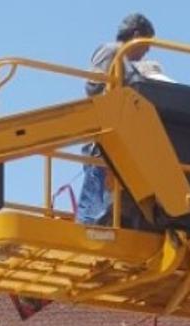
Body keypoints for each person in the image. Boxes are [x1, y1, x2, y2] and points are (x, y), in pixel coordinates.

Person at [77, 13, 157, 226]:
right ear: (137, 35)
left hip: (118, 142)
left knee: (108, 205)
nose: (147, 51)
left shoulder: (126, 62)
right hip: (102, 141)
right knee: (94, 205)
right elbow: (93, 86)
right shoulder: (112, 51)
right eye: (146, 44)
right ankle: (87, 236)